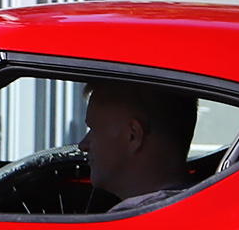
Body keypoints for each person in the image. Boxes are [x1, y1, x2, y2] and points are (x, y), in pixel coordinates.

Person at [80, 82, 198, 213]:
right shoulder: (199, 210)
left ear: (133, 135)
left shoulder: (127, 227)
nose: (83, 145)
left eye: (93, 130)